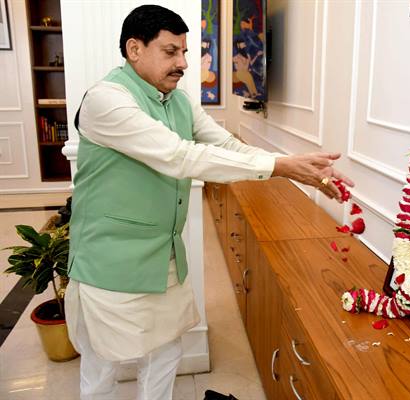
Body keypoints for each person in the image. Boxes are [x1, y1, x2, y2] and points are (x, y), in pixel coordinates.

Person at [64, 5, 353, 400]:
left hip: (163, 257)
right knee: (103, 367)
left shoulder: (179, 101)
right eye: (171, 52)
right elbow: (179, 155)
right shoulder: (106, 100)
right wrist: (280, 166)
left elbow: (227, 146)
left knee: (165, 354)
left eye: (184, 52)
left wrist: (293, 166)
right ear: (134, 49)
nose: (184, 63)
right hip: (109, 264)